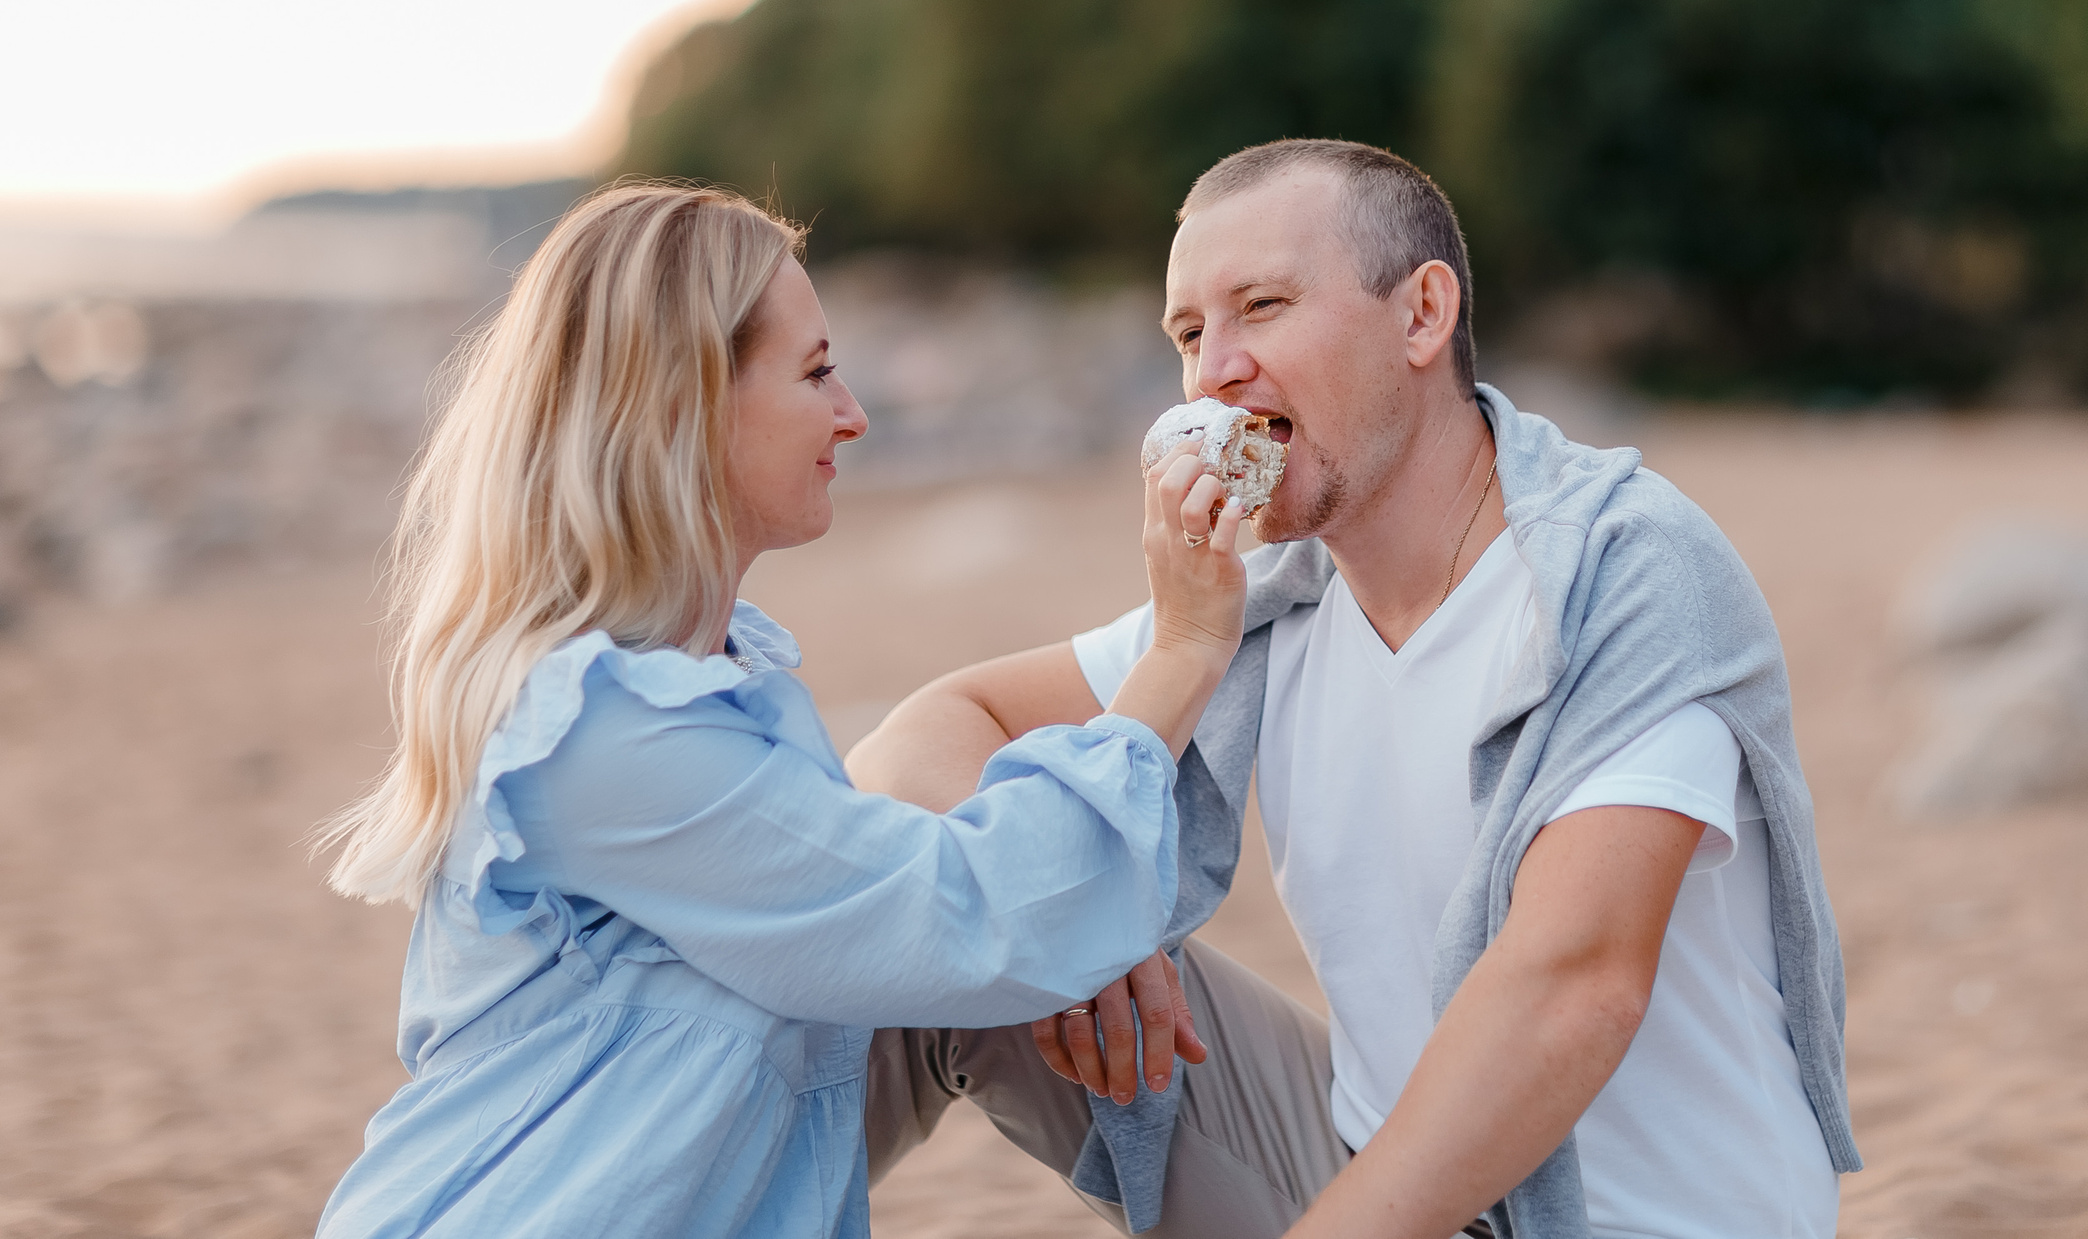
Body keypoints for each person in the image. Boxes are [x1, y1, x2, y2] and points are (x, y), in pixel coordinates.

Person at [852, 140, 1860, 1239]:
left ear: (1422, 314)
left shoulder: (1620, 567)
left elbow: (1574, 981)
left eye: (1262, 306)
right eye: (1190, 333)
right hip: (1357, 1162)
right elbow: (925, 735)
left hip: (1620, 1220)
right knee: (921, 928)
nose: (1213, 372)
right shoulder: (1263, 598)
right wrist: (1072, 913)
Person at [314, 181, 1251, 1238]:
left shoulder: (702, 681)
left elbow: (915, 900)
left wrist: (1082, 923)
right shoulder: (601, 734)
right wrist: (1183, 646)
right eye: (814, 372)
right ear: (681, 402)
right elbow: (966, 914)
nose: (852, 413)